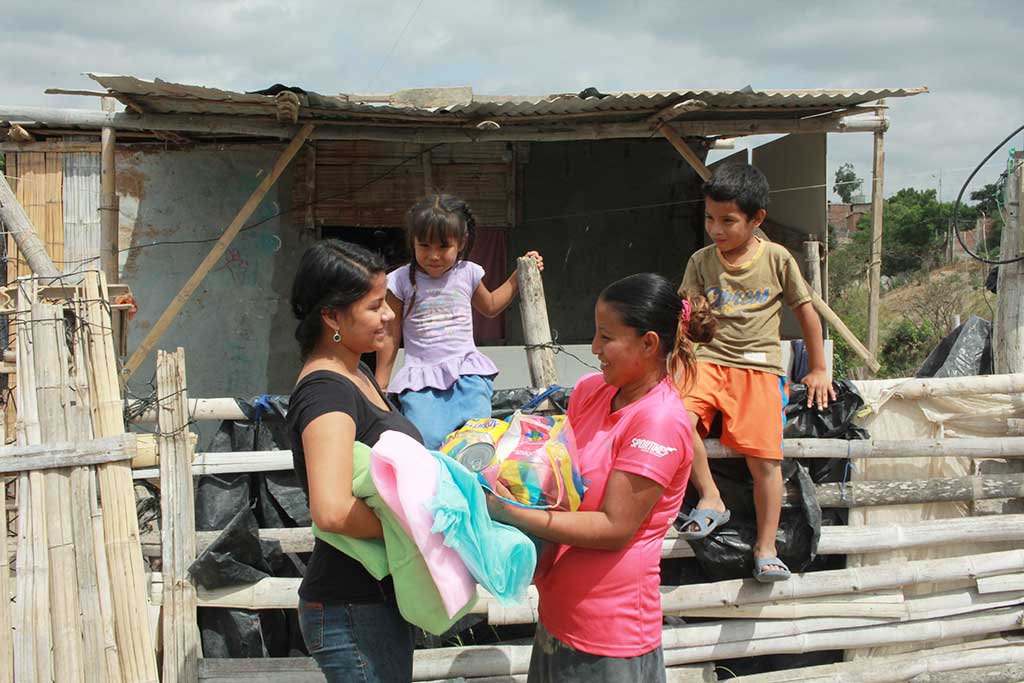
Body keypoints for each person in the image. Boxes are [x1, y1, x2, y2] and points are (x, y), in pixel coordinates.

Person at [487, 273, 715, 683]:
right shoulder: (593, 391)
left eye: (606, 338)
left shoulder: (658, 421)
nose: (594, 349)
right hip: (558, 618)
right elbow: (560, 479)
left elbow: (614, 528)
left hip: (610, 635)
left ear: (648, 343)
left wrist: (511, 512)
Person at [677, 163, 835, 582]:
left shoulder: (778, 258)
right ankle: (710, 497)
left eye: (727, 220)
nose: (716, 229)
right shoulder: (700, 262)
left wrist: (818, 368)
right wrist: (688, 335)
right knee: (676, 419)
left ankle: (766, 547)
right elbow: (687, 317)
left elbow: (807, 313)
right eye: (709, 218)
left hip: (758, 368)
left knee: (765, 458)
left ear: (756, 219)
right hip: (708, 363)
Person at [287, 239, 421, 682]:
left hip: (373, 602)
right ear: (331, 316)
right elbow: (331, 509)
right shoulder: (326, 391)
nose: (388, 315)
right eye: (375, 305)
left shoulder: (356, 370)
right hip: (351, 608)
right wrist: (418, 528)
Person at [376, 193, 544, 449]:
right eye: (425, 246)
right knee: (426, 442)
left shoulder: (467, 273)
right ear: (413, 242)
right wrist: (381, 383)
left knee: (476, 440)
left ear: (461, 242)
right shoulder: (400, 280)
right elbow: (391, 333)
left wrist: (516, 277)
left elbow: (490, 307)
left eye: (443, 247)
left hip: (468, 375)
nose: (433, 255)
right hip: (421, 381)